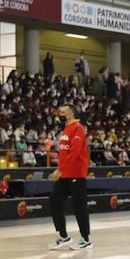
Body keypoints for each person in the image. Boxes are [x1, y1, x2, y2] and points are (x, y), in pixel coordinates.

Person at [48, 103, 92, 250]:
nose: (60, 115)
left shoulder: (77, 128)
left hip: (76, 173)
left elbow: (74, 152)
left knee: (79, 206)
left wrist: (60, 169)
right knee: (55, 200)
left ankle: (86, 239)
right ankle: (63, 236)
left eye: (63, 112)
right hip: (65, 174)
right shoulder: (66, 129)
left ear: (71, 113)